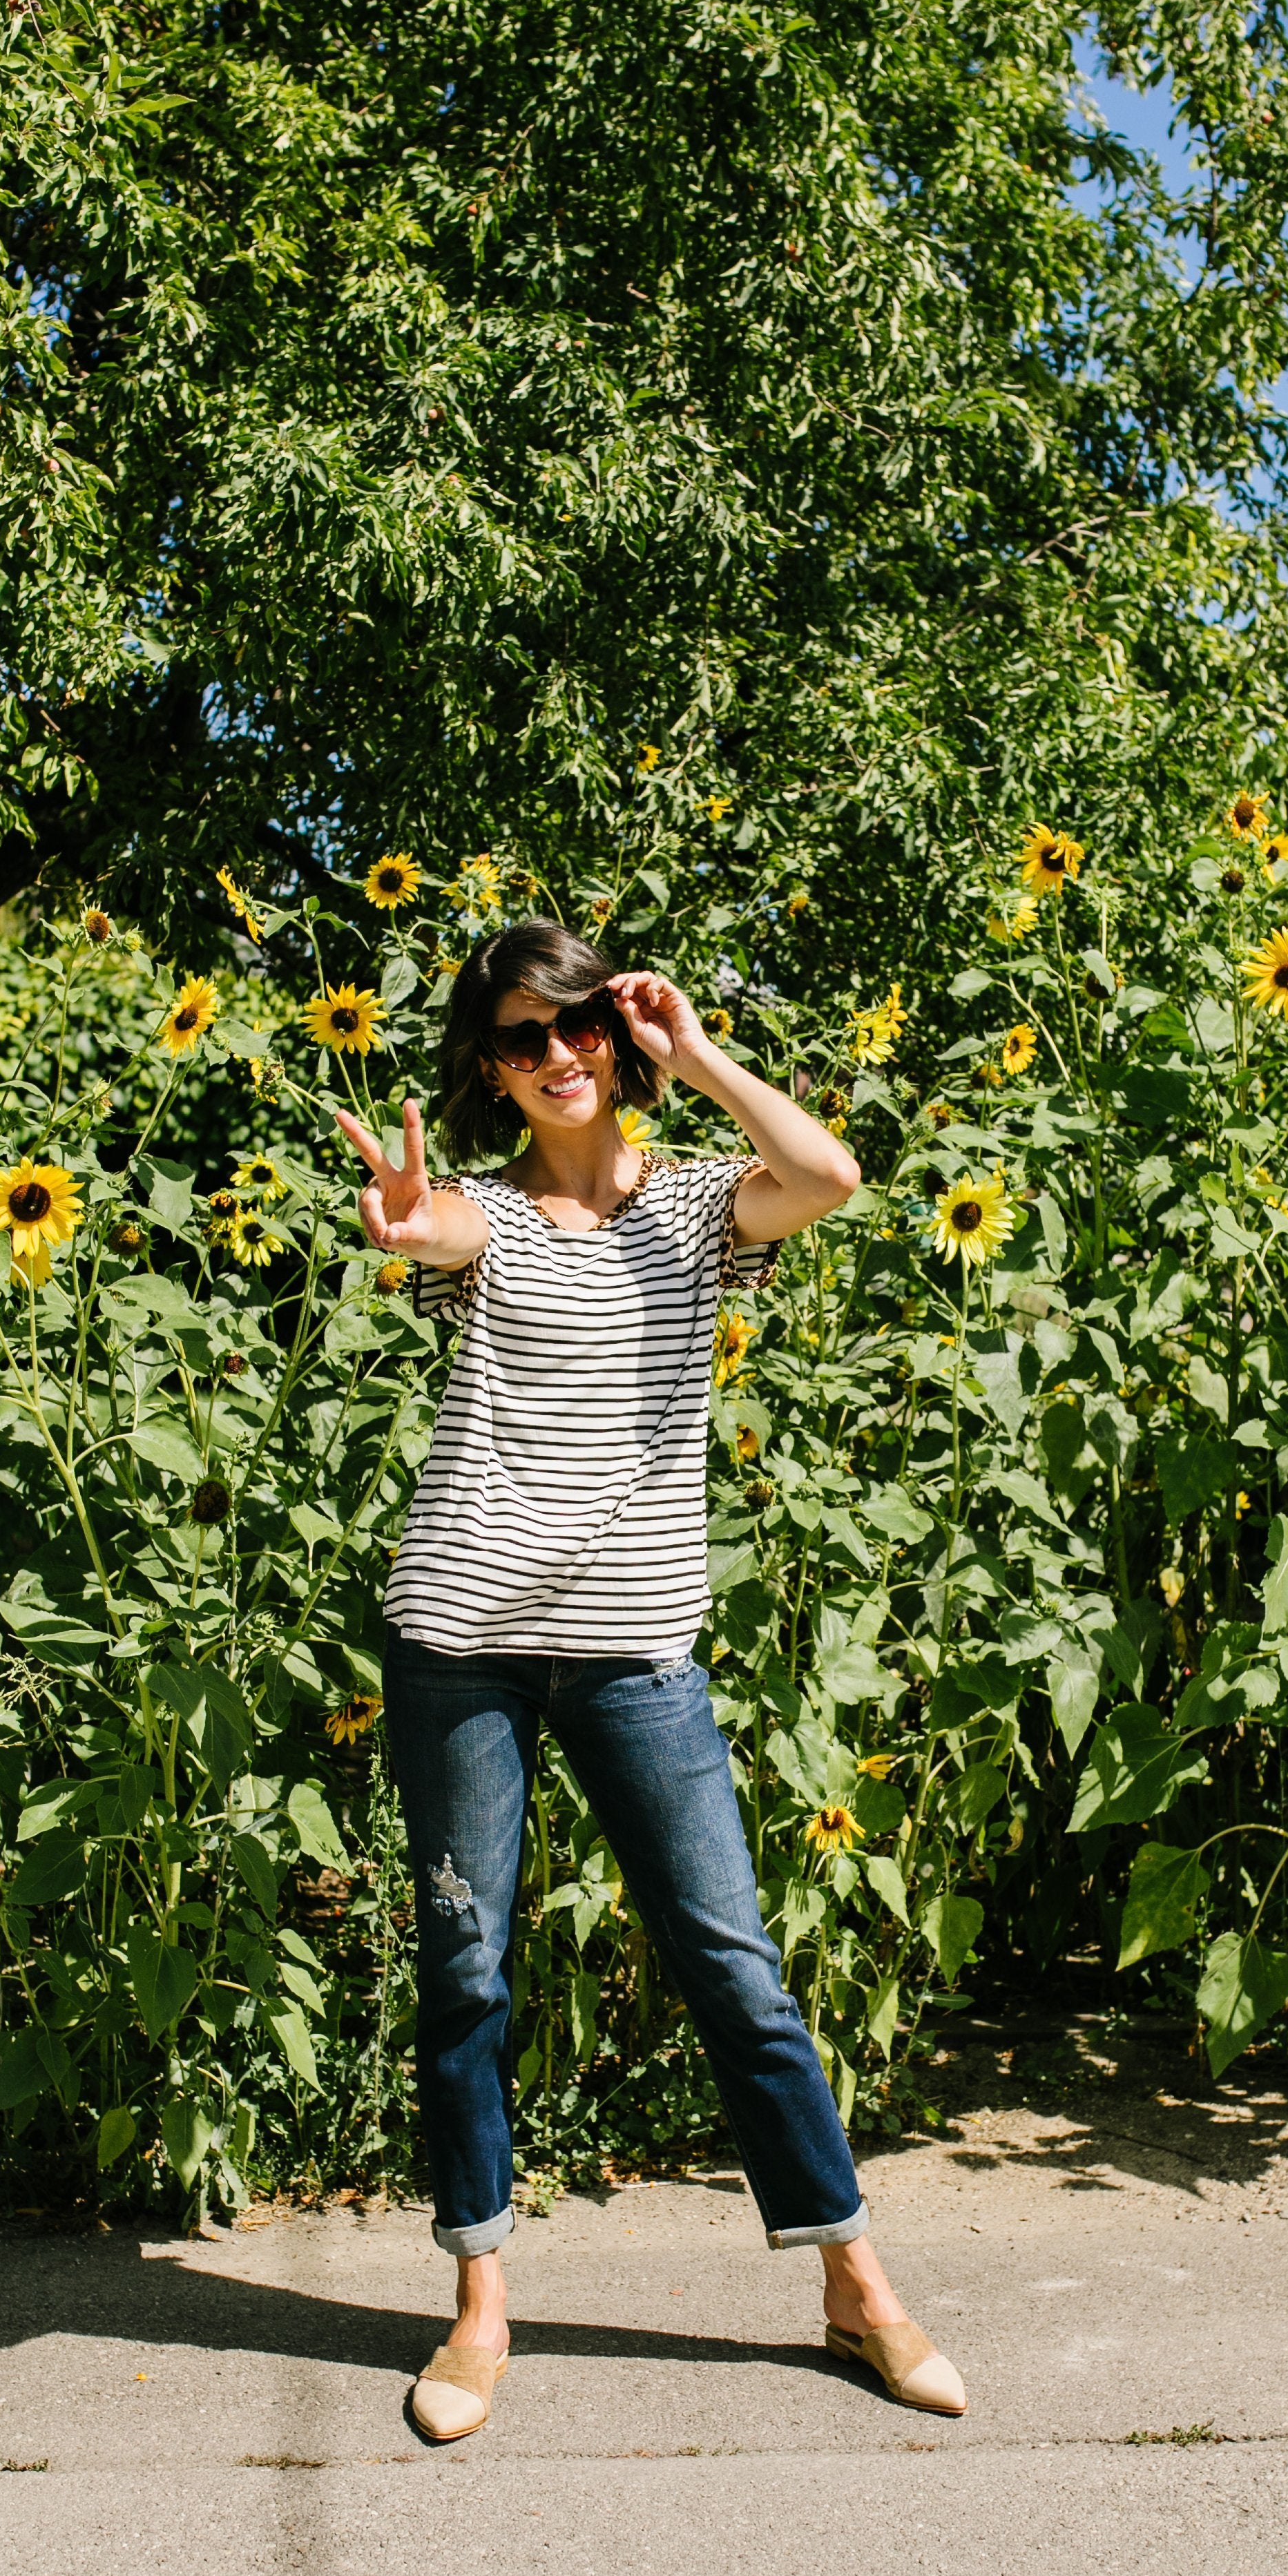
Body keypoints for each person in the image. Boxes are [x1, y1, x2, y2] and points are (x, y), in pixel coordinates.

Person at [333, 919, 968, 2443]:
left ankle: (856, 2287)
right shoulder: (478, 1210)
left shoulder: (693, 1208)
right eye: (517, 1040)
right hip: (462, 1648)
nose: (555, 1057)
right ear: (486, 1071)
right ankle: (482, 2308)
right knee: (466, 1975)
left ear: (616, 1035)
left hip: (637, 1650)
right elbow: (437, 1242)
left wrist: (701, 1055)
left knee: (732, 1966)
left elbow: (830, 1177)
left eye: (576, 1027)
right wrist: (410, 1225)